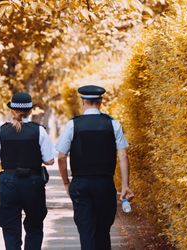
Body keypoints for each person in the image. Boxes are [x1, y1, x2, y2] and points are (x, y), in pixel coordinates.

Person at [56, 85, 134, 250]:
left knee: (86, 231)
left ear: (83, 101)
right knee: (103, 231)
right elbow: (123, 156)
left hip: (80, 184)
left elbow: (61, 157)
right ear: (101, 102)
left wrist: (66, 183)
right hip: (104, 184)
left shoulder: (72, 125)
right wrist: (125, 185)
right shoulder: (113, 124)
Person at [0, 92, 55, 250]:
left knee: (10, 229)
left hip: (9, 183)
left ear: (12, 111)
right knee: (35, 227)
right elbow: (50, 160)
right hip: (33, 183)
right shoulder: (39, 131)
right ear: (30, 111)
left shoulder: (2, 132)